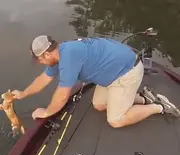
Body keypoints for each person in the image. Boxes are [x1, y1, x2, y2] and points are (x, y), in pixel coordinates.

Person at [12, 36, 180, 128]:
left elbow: (62, 96)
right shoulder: (60, 54)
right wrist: (23, 94)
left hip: (127, 72)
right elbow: (43, 79)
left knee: (115, 120)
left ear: (47, 55)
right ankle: (144, 98)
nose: (40, 63)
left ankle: (160, 107)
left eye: (40, 60)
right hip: (111, 74)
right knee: (99, 105)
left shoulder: (69, 57)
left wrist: (47, 112)